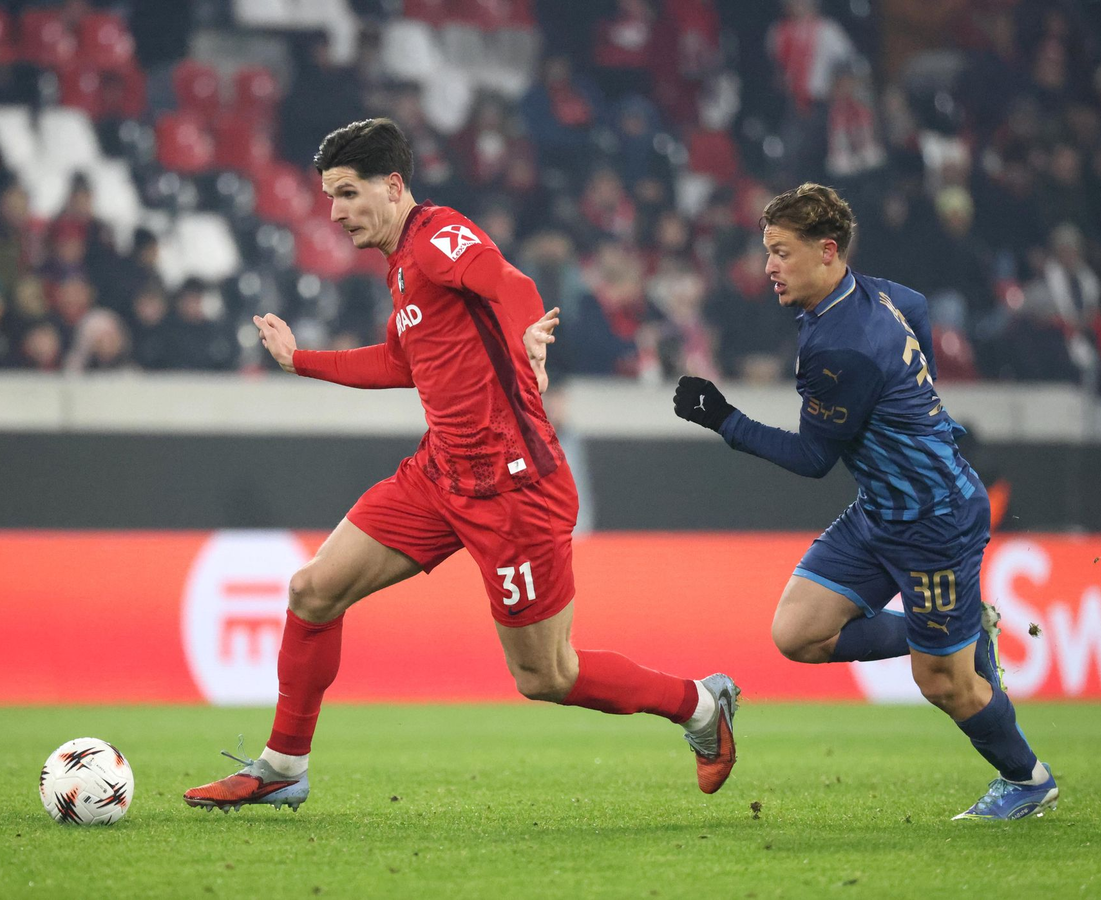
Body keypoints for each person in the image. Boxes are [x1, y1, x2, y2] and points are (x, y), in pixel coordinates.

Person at [184, 118, 739, 813]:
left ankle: (700, 705)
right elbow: (399, 362)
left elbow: (512, 283)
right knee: (312, 592)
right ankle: (283, 766)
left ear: (394, 186)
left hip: (513, 487)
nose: (336, 213)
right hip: (440, 474)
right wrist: (302, 361)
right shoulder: (400, 267)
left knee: (546, 675)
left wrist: (530, 336)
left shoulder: (439, 236)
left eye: (349, 194)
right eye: (329, 198)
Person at [670, 183, 1057, 821]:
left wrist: (724, 418)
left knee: (942, 683)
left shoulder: (838, 347)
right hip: (882, 509)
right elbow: (920, 308)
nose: (769, 266)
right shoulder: (876, 294)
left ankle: (1026, 779)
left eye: (781, 252)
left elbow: (812, 458)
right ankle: (963, 630)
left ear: (827, 251)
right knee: (798, 633)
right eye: (767, 251)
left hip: (933, 520)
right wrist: (919, 403)